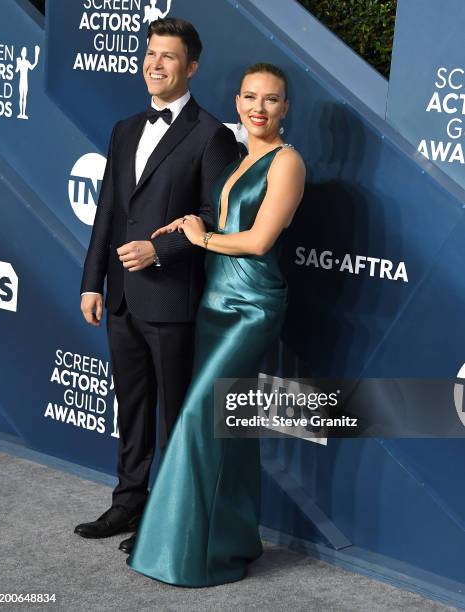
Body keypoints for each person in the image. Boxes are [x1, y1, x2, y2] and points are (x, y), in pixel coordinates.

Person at [126, 63, 306, 586]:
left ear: (285, 109)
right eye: (250, 96)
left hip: (252, 305)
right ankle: (234, 537)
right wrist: (196, 224)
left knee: (201, 421)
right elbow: (227, 219)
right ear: (237, 101)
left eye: (272, 100)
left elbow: (257, 241)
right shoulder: (237, 152)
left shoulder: (286, 162)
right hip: (215, 301)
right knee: (233, 426)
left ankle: (190, 555)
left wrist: (202, 241)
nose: (259, 107)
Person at [74, 17, 239, 550]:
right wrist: (92, 281)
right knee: (132, 406)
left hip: (170, 297)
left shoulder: (211, 134)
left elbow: (215, 217)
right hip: (120, 296)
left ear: (190, 67)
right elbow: (107, 213)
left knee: (172, 416)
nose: (154, 63)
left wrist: (158, 249)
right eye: (150, 52)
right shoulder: (125, 129)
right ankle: (127, 504)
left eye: (168, 56)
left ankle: (164, 519)